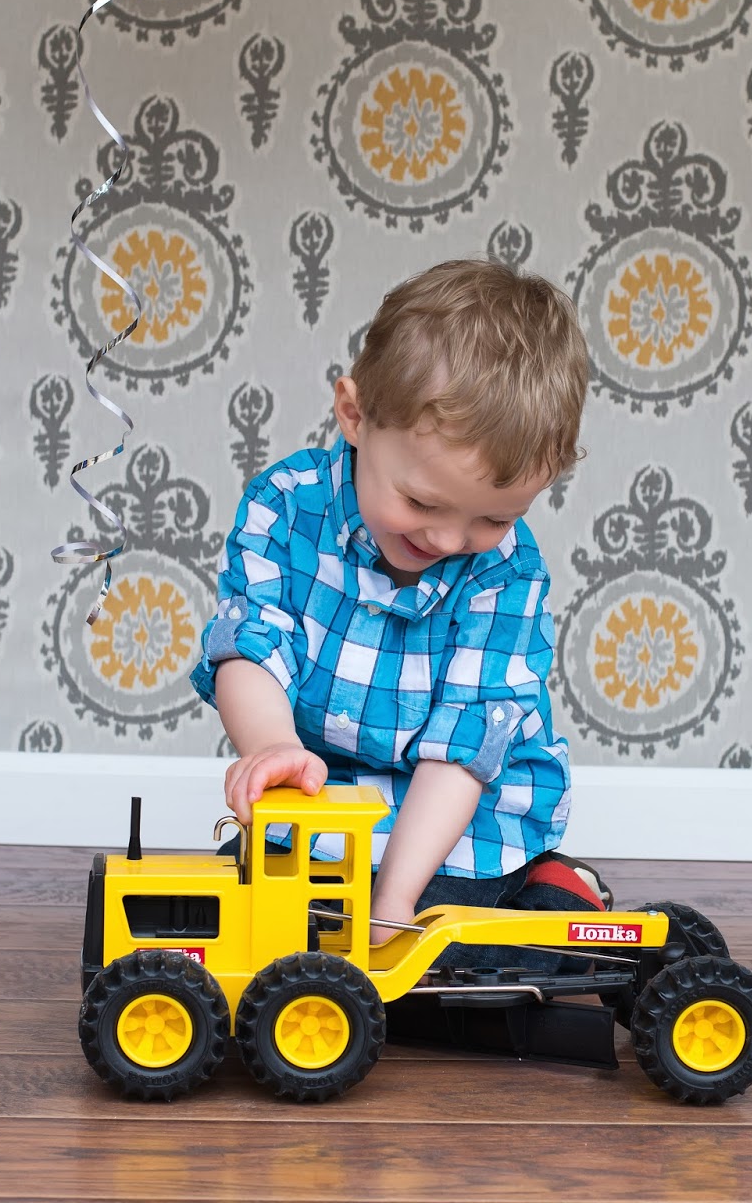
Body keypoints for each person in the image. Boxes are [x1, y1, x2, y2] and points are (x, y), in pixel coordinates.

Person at [190, 258, 610, 970]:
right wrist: (272, 747)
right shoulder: (285, 506)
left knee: (451, 960)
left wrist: (393, 906)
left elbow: (462, 751)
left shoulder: (507, 572)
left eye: (492, 518)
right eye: (420, 503)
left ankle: (552, 890)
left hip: (456, 819)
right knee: (256, 934)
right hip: (326, 798)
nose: (447, 540)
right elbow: (251, 646)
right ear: (355, 416)